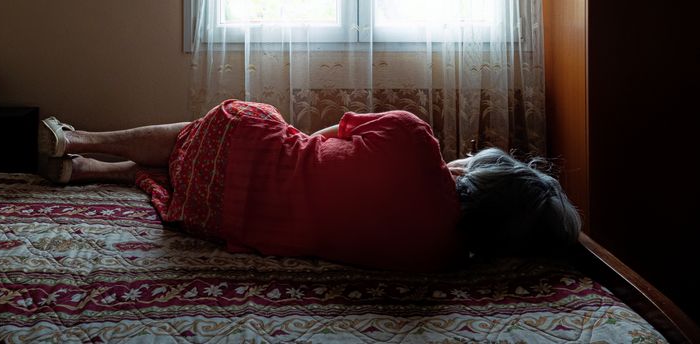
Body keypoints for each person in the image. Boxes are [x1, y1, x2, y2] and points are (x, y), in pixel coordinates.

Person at [38, 100, 581, 271]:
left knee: (224, 129)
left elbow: (323, 134)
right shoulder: (439, 257)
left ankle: (80, 139)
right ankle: (92, 171)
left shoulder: (416, 139)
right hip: (219, 218)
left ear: (481, 172)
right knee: (207, 170)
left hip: (232, 158)